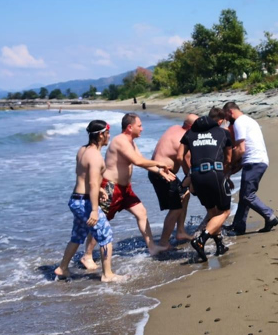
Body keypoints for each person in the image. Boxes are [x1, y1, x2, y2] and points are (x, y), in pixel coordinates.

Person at [84, 113, 175, 258]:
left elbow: (142, 161)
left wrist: (160, 172)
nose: (142, 129)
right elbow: (137, 161)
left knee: (141, 212)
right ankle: (87, 255)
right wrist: (159, 163)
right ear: (129, 127)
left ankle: (152, 247)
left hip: (125, 189)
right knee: (100, 221)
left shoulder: (131, 142)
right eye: (139, 126)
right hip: (110, 189)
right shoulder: (120, 141)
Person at [55, 121, 124, 282]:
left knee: (78, 235)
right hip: (86, 203)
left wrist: (99, 190)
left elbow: (82, 175)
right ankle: (107, 274)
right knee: (106, 235)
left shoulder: (82, 150)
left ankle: (62, 268)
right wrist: (94, 209)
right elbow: (93, 183)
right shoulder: (95, 156)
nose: (109, 136)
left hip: (76, 199)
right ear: (101, 135)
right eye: (107, 133)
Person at [180, 108, 233, 261]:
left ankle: (220, 245)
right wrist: (225, 175)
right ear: (220, 121)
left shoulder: (190, 133)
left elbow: (179, 156)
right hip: (215, 173)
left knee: (212, 212)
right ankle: (200, 240)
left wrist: (189, 174)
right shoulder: (223, 133)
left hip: (196, 175)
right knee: (224, 212)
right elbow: (228, 159)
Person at [222, 101, 278, 235]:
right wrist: (231, 171)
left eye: (226, 116)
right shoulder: (249, 120)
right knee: (244, 195)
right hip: (258, 160)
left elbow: (241, 149)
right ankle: (238, 226)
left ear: (230, 112)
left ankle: (270, 216)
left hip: (254, 161)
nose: (226, 120)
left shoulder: (239, 122)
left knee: (248, 195)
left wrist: (229, 163)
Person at [149, 113, 199, 247]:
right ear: (190, 127)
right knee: (176, 208)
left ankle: (180, 231)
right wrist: (194, 182)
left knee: (184, 195)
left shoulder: (174, 128)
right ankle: (163, 242)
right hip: (162, 175)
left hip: (160, 172)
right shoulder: (183, 139)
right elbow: (186, 166)